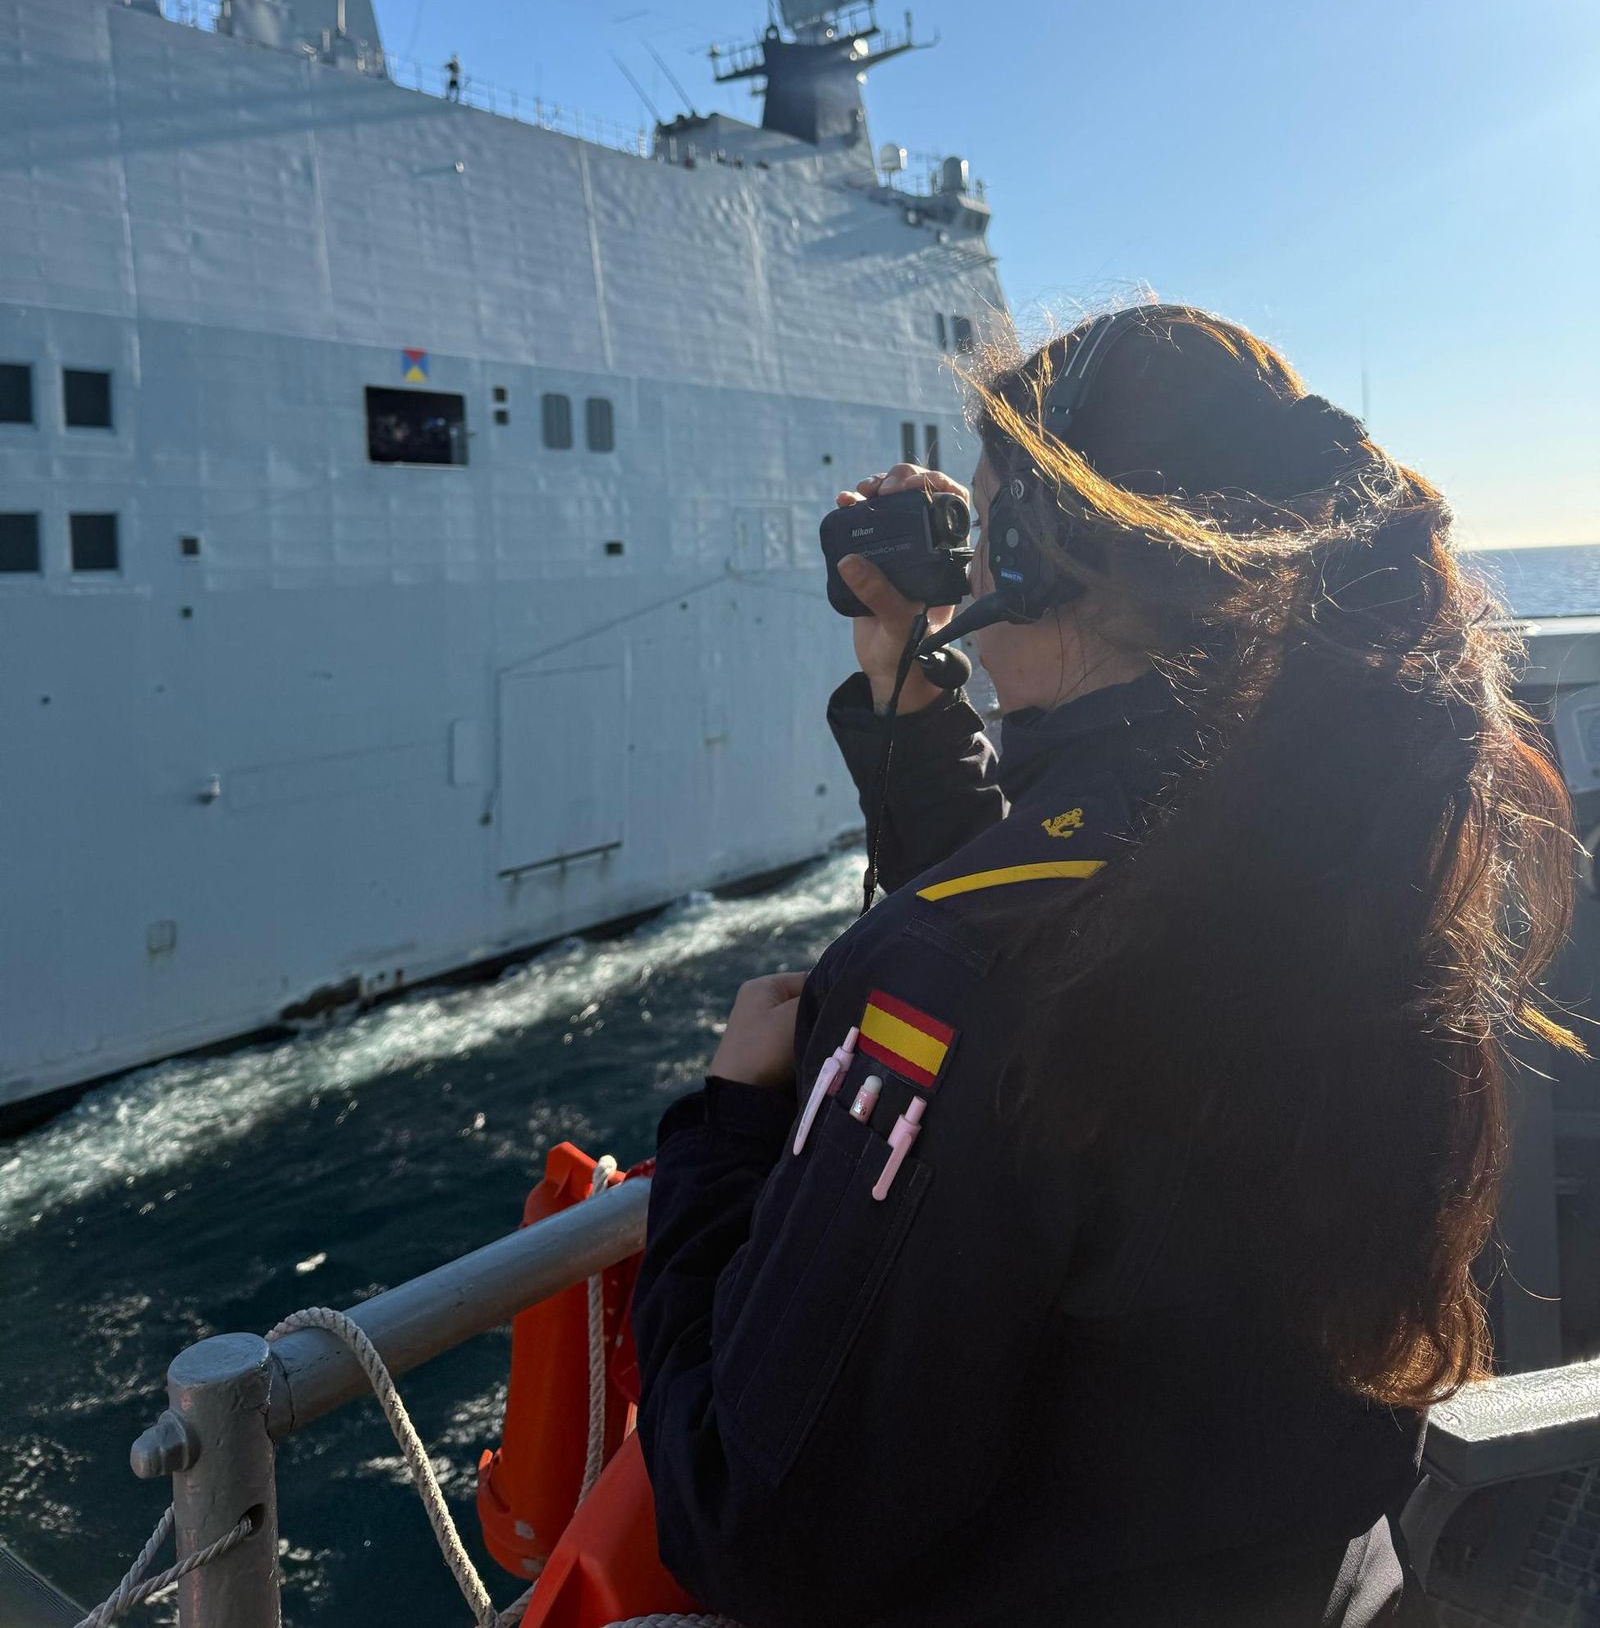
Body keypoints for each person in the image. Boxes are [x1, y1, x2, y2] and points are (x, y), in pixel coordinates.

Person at [630, 303, 1580, 1627]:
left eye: (989, 521)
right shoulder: (1331, 839)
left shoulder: (959, 968)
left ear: (1039, 548)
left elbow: (752, 1519)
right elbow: (1072, 908)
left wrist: (723, 1136)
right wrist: (905, 691)